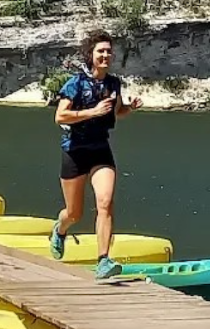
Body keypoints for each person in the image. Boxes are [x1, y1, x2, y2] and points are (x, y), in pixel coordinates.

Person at [50, 30, 143, 280]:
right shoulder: (76, 83)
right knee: (74, 213)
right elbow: (60, 116)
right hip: (75, 151)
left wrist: (129, 108)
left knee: (105, 201)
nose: (105, 55)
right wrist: (91, 112)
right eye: (100, 51)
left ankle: (103, 260)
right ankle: (60, 229)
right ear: (90, 55)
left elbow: (116, 112)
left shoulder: (113, 83)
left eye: (108, 51)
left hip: (100, 149)